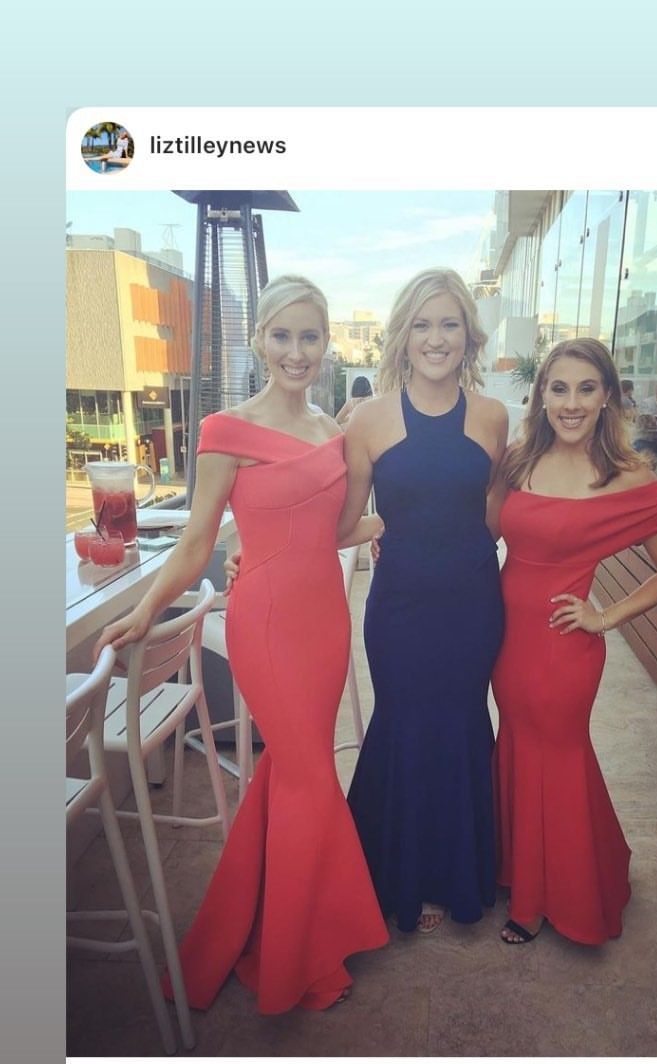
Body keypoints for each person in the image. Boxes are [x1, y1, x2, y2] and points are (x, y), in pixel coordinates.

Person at [93, 275, 388, 1013]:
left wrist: (401, 523)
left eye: (310, 336)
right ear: (258, 340)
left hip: (325, 622)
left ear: (327, 344)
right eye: (282, 335)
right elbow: (197, 543)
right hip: (267, 624)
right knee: (310, 778)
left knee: (294, 772)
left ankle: (257, 920)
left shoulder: (334, 431)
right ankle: (296, 960)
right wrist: (147, 609)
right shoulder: (225, 429)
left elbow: (336, 531)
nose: (296, 351)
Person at [488, 338, 657, 946]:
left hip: (564, 643)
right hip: (506, 639)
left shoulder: (627, 477)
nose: (571, 403)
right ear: (542, 396)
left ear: (607, 397)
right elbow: (481, 531)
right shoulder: (519, 460)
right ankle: (526, 867)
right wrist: (393, 535)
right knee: (517, 744)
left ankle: (538, 901)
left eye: (586, 389)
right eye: (559, 389)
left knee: (556, 755)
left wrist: (606, 618)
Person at [338, 268, 508, 934]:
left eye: (449, 324)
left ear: (468, 335)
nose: (436, 339)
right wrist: (384, 529)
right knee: (405, 724)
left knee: (462, 723)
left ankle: (456, 877)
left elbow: (492, 515)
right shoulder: (368, 418)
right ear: (403, 336)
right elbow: (343, 524)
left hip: (472, 604)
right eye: (422, 325)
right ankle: (399, 880)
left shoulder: (493, 417)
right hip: (400, 608)